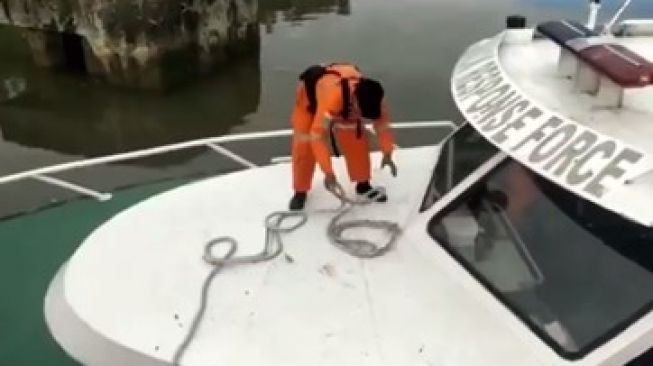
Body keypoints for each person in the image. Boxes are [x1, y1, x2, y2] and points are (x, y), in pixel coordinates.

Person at [288, 62, 397, 210]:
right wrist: (328, 173)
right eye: (362, 114)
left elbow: (382, 126)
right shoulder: (333, 99)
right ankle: (300, 191)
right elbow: (317, 137)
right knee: (304, 143)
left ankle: (363, 184)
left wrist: (387, 152)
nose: (364, 118)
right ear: (356, 103)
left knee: (357, 140)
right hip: (309, 100)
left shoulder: (375, 99)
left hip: (346, 103)